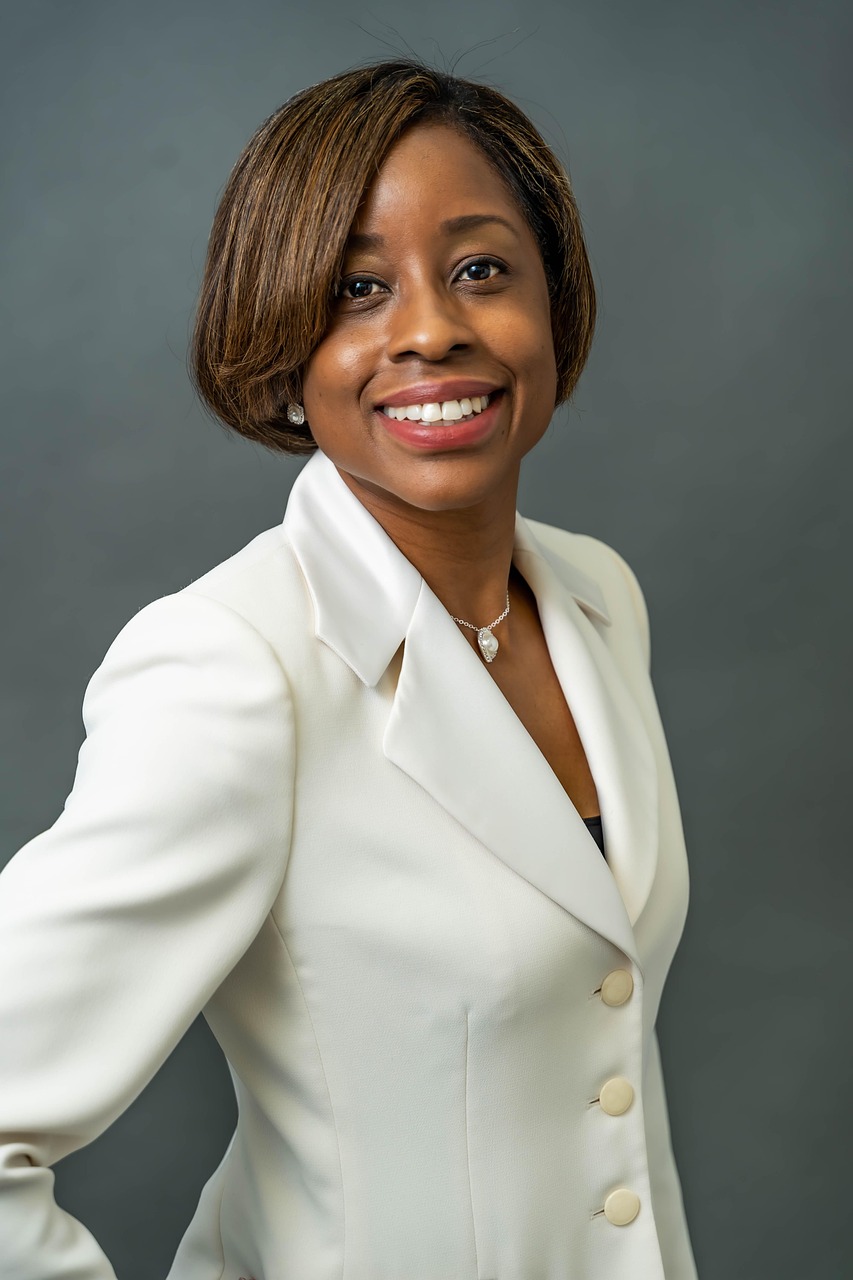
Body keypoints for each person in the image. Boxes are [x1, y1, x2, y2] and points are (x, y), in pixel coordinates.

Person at [0, 58, 699, 1280]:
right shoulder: (235, 663)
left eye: (480, 267)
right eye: (355, 289)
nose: (431, 326)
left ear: (556, 297)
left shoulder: (595, 596)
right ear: (279, 343)